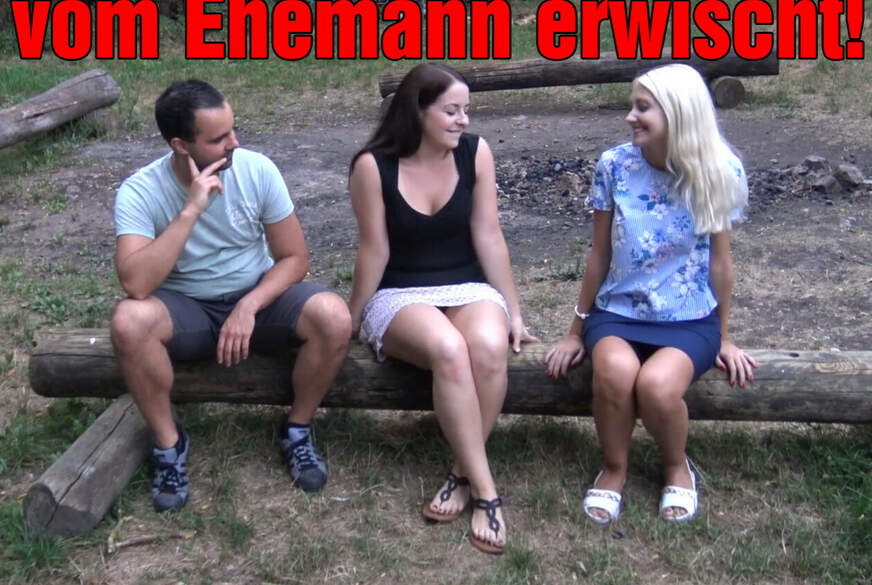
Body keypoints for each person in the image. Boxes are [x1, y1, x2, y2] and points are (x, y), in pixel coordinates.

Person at [110, 79, 351, 513]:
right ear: (181, 145)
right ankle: (169, 445)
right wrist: (191, 209)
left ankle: (297, 429)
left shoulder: (257, 170)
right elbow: (136, 284)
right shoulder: (140, 190)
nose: (234, 143)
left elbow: (294, 257)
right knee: (129, 322)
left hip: (257, 299)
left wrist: (249, 304)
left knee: (333, 316)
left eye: (232, 130)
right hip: (188, 310)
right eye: (218, 138)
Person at [543, 64, 758, 524]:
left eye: (642, 108)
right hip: (618, 313)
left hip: (689, 318)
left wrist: (723, 337)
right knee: (614, 373)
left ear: (678, 113)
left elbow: (721, 264)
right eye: (632, 106)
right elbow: (599, 254)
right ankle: (614, 469)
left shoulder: (719, 170)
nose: (630, 117)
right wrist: (575, 330)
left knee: (658, 387)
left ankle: (676, 467)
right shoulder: (614, 165)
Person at [347, 64, 537, 554]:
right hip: (400, 291)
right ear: (418, 111)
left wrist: (514, 310)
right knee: (449, 349)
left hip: (468, 284)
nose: (463, 121)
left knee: (489, 347)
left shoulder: (476, 153)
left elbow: (488, 234)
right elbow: (374, 249)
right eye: (451, 111)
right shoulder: (373, 166)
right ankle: (487, 492)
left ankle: (460, 472)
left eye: (466, 111)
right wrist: (354, 316)